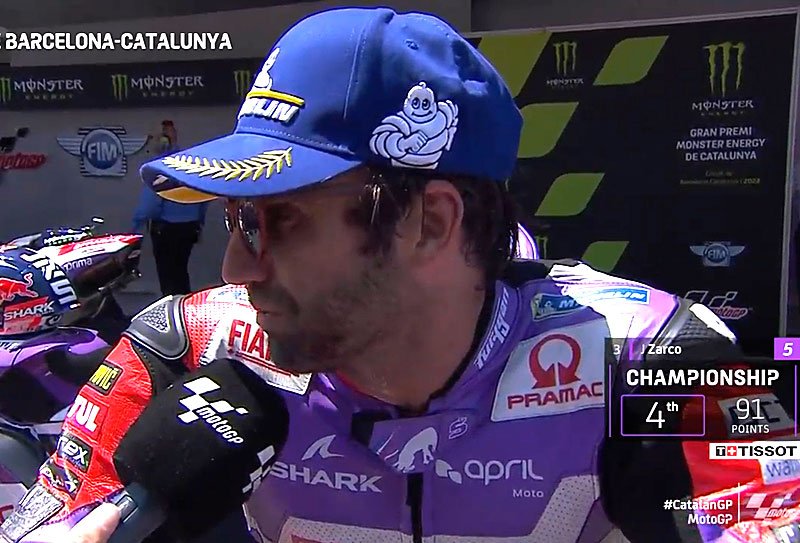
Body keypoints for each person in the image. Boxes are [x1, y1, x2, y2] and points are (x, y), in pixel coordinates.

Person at [5, 7, 797, 543]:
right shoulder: (179, 349)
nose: (235, 265)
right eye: (237, 219)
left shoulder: (666, 353)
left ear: (431, 223)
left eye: (276, 219)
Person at [132, 123, 209, 297]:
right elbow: (203, 197)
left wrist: (135, 226)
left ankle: (172, 307)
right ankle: (185, 304)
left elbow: (151, 203)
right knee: (180, 271)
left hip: (166, 229)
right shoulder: (188, 165)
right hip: (189, 226)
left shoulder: (159, 167)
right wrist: (199, 222)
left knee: (168, 275)